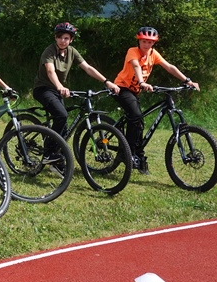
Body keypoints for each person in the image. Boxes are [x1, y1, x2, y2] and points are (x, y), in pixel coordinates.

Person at [112, 26, 200, 174]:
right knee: (136, 117)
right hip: (121, 88)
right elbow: (136, 66)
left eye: (150, 42)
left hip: (135, 91)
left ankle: (139, 157)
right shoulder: (132, 51)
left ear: (154, 43)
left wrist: (187, 80)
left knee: (139, 123)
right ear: (139, 41)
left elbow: (169, 67)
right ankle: (127, 154)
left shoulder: (153, 54)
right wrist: (142, 82)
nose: (147, 45)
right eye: (144, 41)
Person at [32, 22, 120, 163]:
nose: (63, 40)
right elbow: (50, 71)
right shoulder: (49, 51)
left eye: (66, 38)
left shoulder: (72, 51)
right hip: (43, 89)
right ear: (55, 37)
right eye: (60, 37)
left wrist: (107, 82)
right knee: (61, 115)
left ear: (71, 40)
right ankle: (49, 154)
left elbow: (87, 68)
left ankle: (57, 158)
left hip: (57, 90)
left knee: (63, 124)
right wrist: (60, 86)